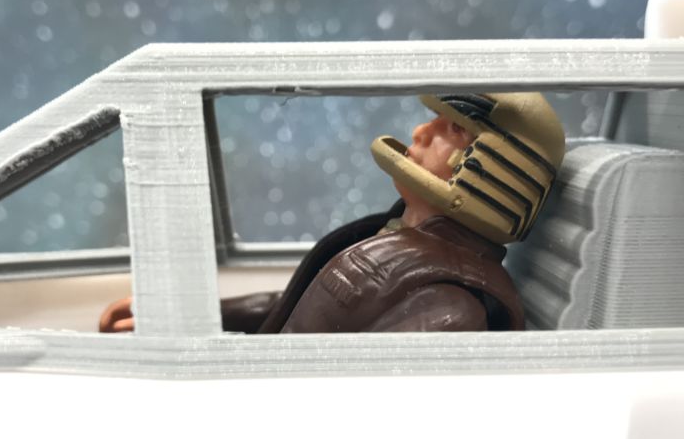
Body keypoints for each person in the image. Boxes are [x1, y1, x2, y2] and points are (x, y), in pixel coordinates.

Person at [100, 92, 565, 334]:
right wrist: (182, 313)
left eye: (454, 129)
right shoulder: (397, 233)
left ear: (492, 166)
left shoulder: (450, 309)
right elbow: (300, 309)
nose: (421, 132)